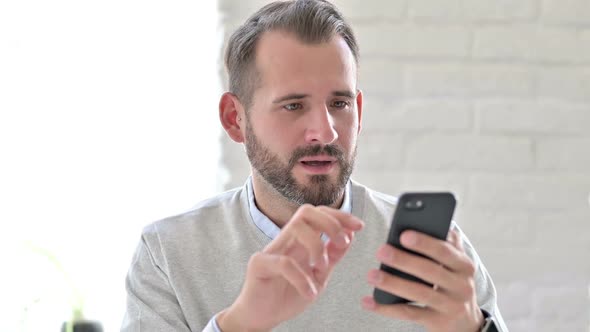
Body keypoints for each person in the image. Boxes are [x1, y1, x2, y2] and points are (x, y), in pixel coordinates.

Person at [121, 1, 508, 331]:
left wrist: (473, 328)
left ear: (357, 111)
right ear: (234, 119)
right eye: (293, 106)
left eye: (338, 104)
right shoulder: (168, 253)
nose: (325, 132)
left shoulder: (433, 253)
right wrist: (238, 324)